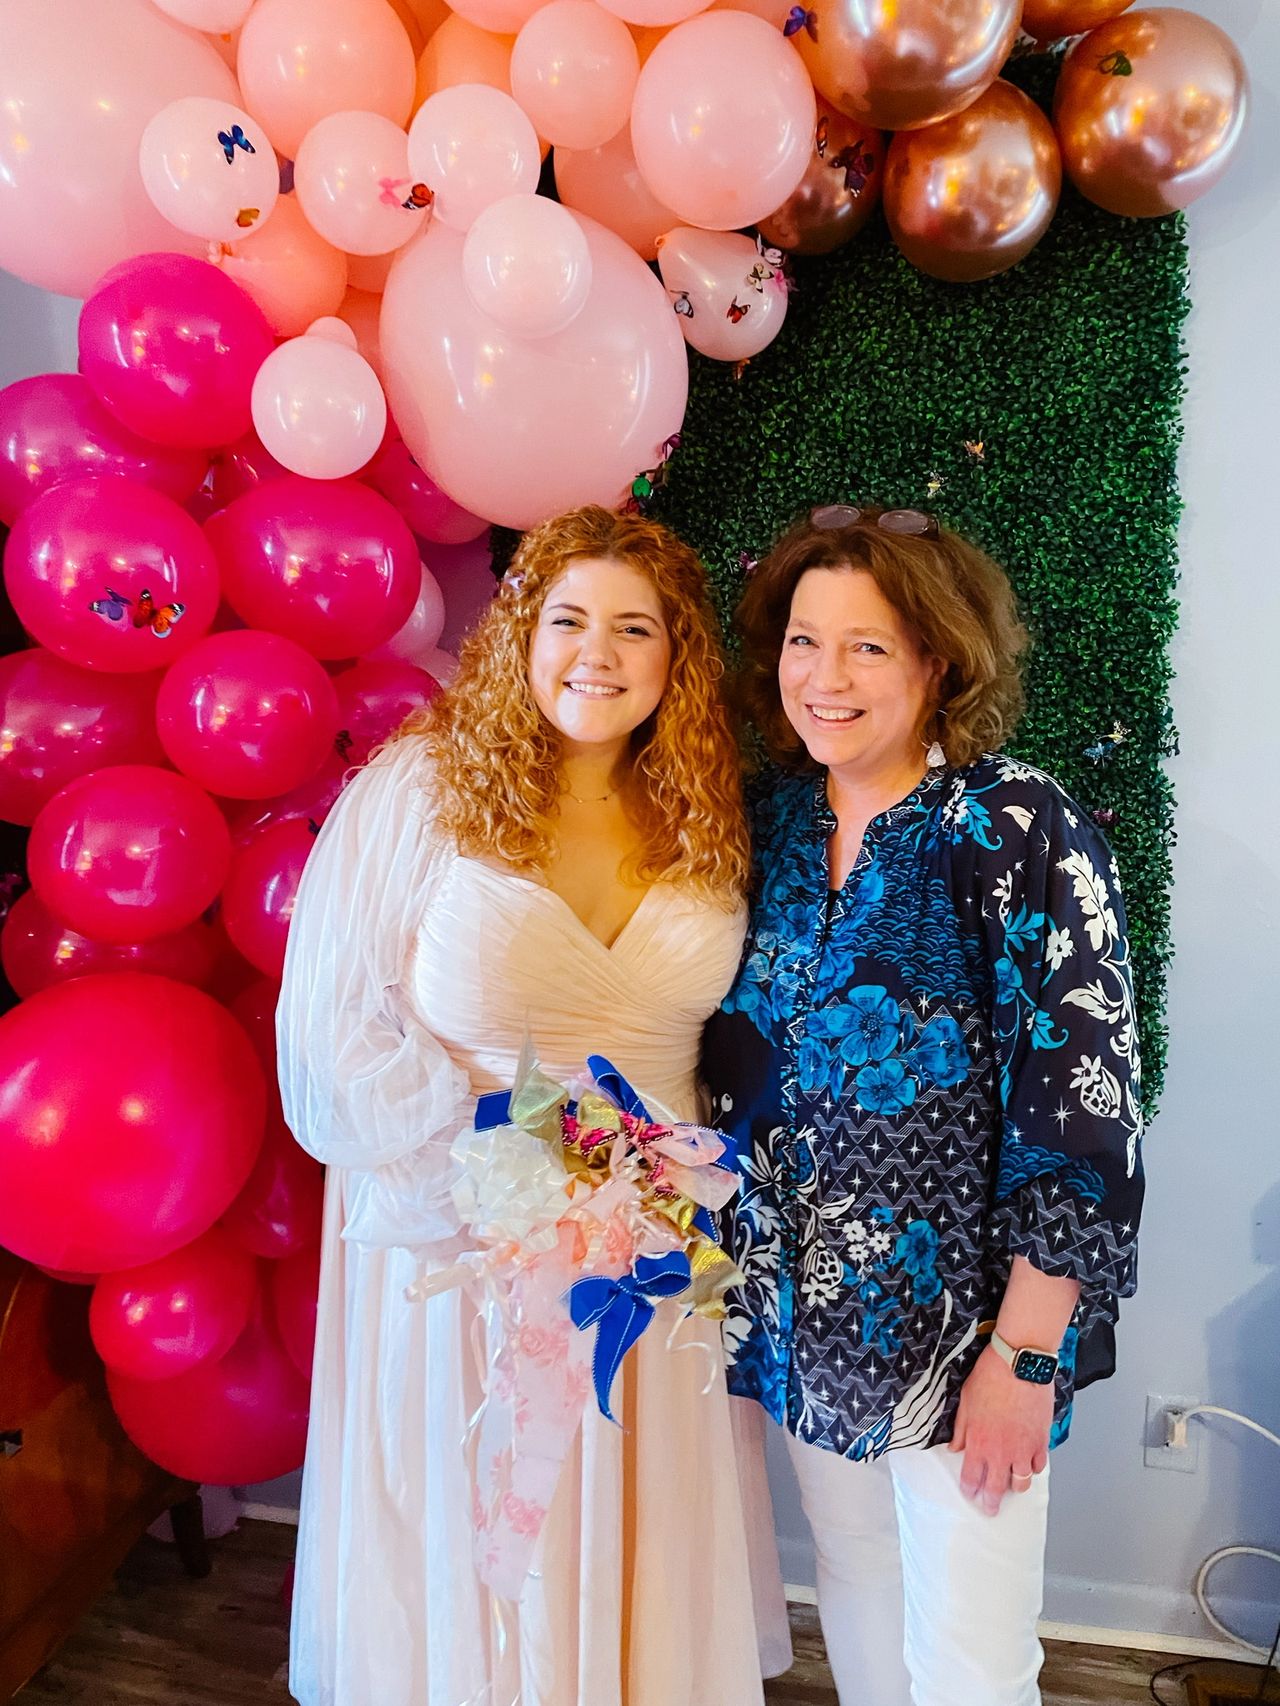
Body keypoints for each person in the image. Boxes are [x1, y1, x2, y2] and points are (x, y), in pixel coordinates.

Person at [277, 505, 784, 1706]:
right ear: (520, 632)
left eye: (632, 627)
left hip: (659, 1229)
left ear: (675, 657)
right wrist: (514, 1165)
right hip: (463, 1226)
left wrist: (654, 1189)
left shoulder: (710, 815)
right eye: (566, 619)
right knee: (491, 1503)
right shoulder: (425, 784)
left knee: (637, 1500)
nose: (594, 653)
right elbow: (334, 1029)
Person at [703, 504, 1145, 1706]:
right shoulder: (777, 820)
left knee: (969, 1658)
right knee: (849, 1575)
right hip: (802, 1312)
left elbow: (1085, 1110)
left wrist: (1024, 1350)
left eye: (867, 646)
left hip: (964, 1338)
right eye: (803, 640)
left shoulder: (1015, 827)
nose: (824, 677)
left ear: (936, 661)